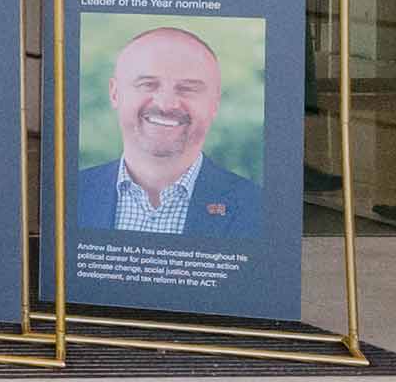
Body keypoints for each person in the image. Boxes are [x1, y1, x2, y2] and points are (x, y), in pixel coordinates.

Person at [71, 24, 261, 238]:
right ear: (115, 93)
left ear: (215, 103)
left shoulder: (260, 209)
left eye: (188, 88)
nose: (166, 104)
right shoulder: (67, 196)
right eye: (147, 84)